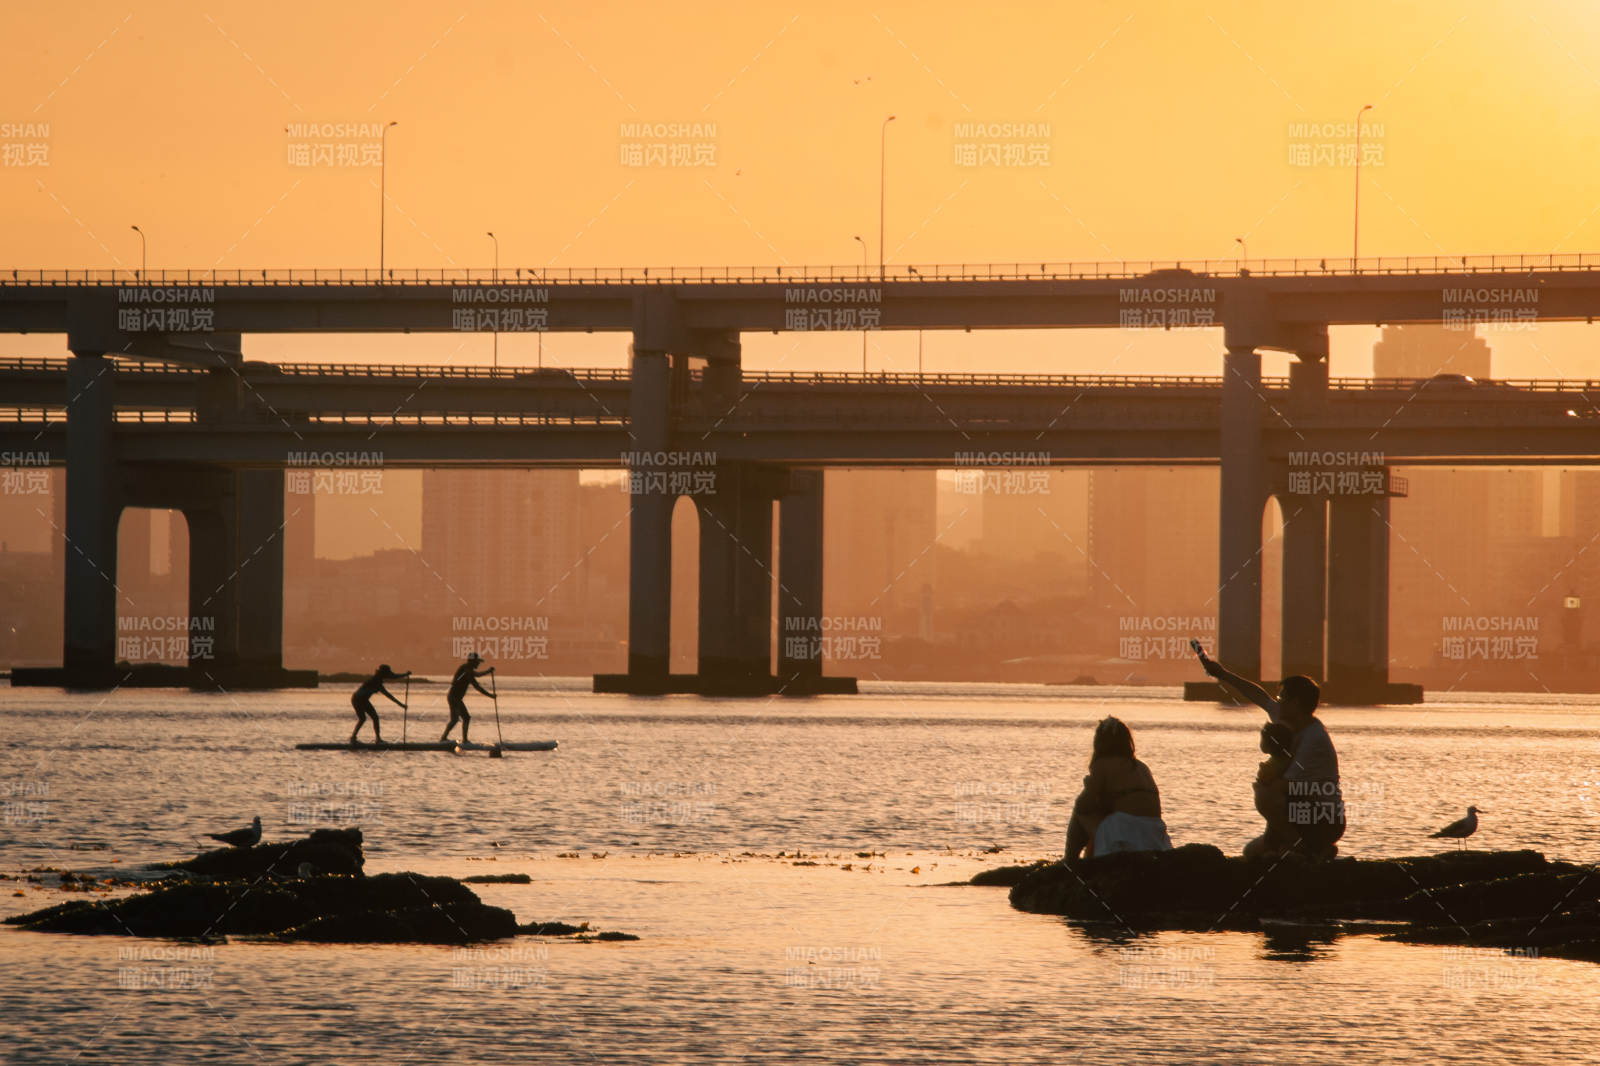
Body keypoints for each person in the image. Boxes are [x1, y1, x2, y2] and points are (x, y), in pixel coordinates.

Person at [1196, 650, 1345, 858]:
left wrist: (1262, 782)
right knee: (1252, 853)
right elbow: (1257, 695)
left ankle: (1305, 848)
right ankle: (1306, 848)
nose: (1277, 702)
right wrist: (1223, 674)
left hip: (1324, 819)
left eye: (1281, 698)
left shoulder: (1314, 738)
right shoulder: (1286, 716)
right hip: (1298, 812)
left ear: (1295, 703)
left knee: (1265, 793)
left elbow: (1284, 786)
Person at [1065, 716, 1173, 861]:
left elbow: (1083, 805)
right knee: (1106, 817)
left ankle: (1069, 862)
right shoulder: (1141, 767)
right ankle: (1088, 859)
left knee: (1080, 814)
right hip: (1154, 836)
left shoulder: (1102, 764)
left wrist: (1089, 786)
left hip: (1124, 833)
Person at [1244, 722, 1296, 860]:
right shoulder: (1287, 761)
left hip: (1277, 811)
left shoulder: (1273, 767)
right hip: (1278, 815)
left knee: (1250, 851)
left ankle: (1279, 851)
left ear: (1268, 744)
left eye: (1263, 739)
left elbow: (1265, 780)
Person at [442, 652, 493, 744]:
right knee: (455, 719)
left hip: (457, 699)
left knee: (466, 718)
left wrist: (488, 672)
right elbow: (477, 681)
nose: (478, 664)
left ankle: (464, 740)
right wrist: (489, 695)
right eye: (477, 662)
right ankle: (443, 738)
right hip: (454, 698)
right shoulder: (466, 670)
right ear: (472, 662)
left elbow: (477, 680)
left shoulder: (468, 671)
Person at [351, 664, 408, 744]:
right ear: (383, 674)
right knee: (372, 718)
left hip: (357, 698)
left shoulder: (377, 678)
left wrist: (405, 674)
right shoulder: (376, 682)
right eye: (387, 674)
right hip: (360, 699)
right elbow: (389, 695)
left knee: (364, 718)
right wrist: (401, 705)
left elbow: (393, 676)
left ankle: (354, 738)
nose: (388, 676)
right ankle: (377, 739)